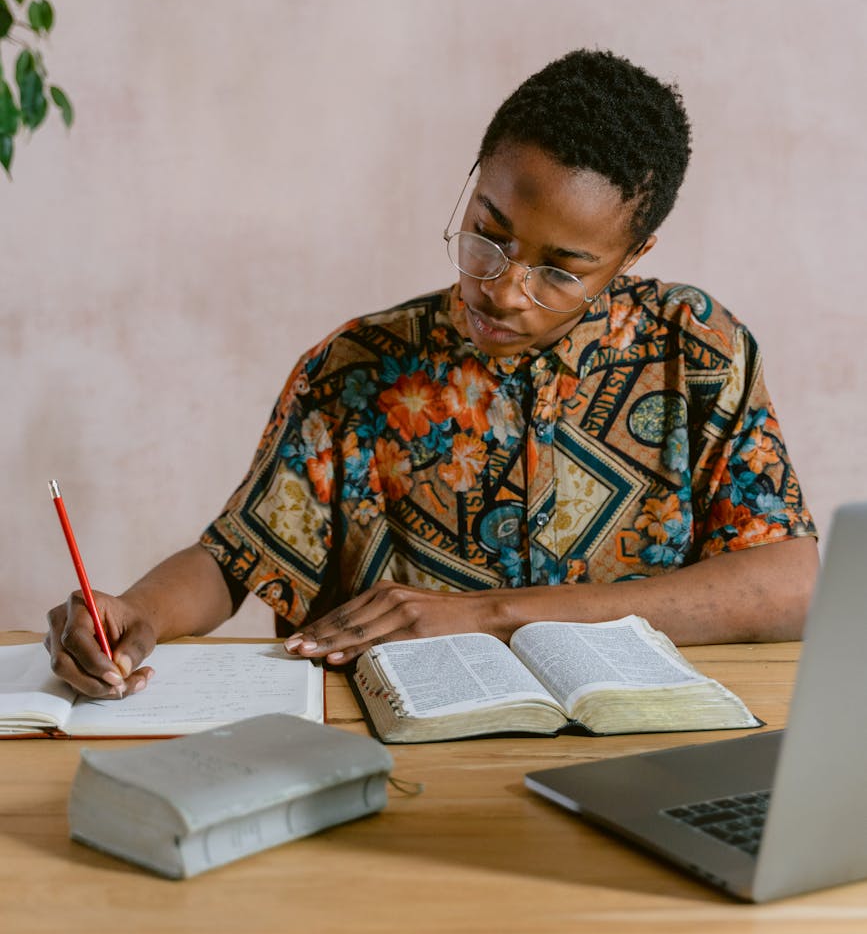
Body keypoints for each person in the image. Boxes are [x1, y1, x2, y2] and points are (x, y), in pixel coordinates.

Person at [46, 49, 818, 697]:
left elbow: (789, 584)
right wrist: (135, 611)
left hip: (633, 753)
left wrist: (494, 613)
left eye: (562, 270)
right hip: (400, 758)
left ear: (632, 257)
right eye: (488, 235)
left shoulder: (695, 350)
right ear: (475, 180)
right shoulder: (358, 370)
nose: (503, 289)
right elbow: (237, 555)